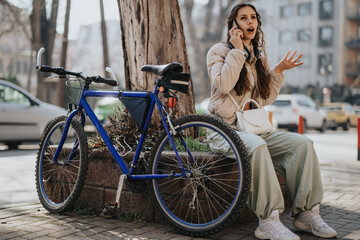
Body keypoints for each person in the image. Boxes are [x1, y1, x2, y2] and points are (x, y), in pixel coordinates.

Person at [206, 3, 337, 240]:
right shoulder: (218, 52)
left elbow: (264, 99)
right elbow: (224, 85)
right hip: (223, 129)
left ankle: (306, 214)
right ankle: (268, 221)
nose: (250, 22)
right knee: (256, 147)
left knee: (303, 144)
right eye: (243, 18)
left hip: (253, 128)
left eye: (253, 17)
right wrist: (236, 51)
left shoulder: (258, 58)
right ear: (233, 25)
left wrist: (277, 71)